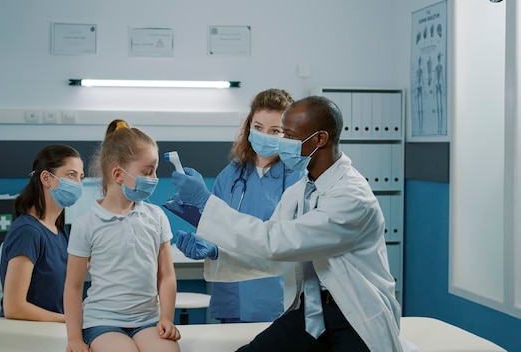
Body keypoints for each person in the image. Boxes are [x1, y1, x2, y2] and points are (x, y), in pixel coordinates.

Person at [170, 96, 406, 351]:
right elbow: (278, 256)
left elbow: (277, 241)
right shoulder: (302, 190)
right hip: (309, 313)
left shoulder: (351, 196)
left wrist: (206, 204)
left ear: (319, 139)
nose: (281, 143)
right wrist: (218, 253)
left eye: (289, 136)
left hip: (354, 314)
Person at [175, 88, 304, 324]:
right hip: (231, 295)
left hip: (274, 297)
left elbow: (285, 242)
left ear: (287, 135)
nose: (265, 135)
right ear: (248, 127)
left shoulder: (298, 178)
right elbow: (217, 225)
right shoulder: (230, 175)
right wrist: (206, 245)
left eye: (275, 130)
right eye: (258, 128)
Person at [64, 119, 180, 352]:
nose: (154, 178)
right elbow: (73, 287)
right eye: (147, 171)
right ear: (118, 174)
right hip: (103, 322)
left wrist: (166, 317)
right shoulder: (86, 224)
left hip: (147, 321)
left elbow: (166, 275)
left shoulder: (156, 217)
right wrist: (74, 338)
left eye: (155, 170)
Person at [0, 144, 84, 322]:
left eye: (81, 177)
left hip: (54, 330)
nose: (78, 184)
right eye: (71, 175)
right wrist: (70, 320)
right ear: (46, 178)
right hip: (31, 336)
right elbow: (13, 307)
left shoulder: (58, 230)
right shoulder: (28, 233)